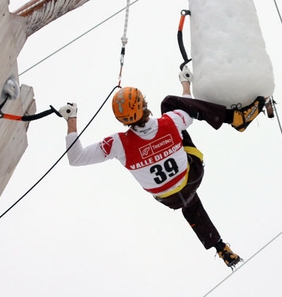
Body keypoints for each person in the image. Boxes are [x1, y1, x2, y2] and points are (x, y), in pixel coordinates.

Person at [59, 66, 265, 269]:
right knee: (170, 103)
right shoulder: (170, 121)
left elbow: (76, 158)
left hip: (170, 199)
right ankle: (234, 118)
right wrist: (186, 83)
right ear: (143, 104)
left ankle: (219, 247)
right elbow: (190, 110)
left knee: (189, 203)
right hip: (191, 176)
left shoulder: (118, 144)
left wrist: (71, 118)